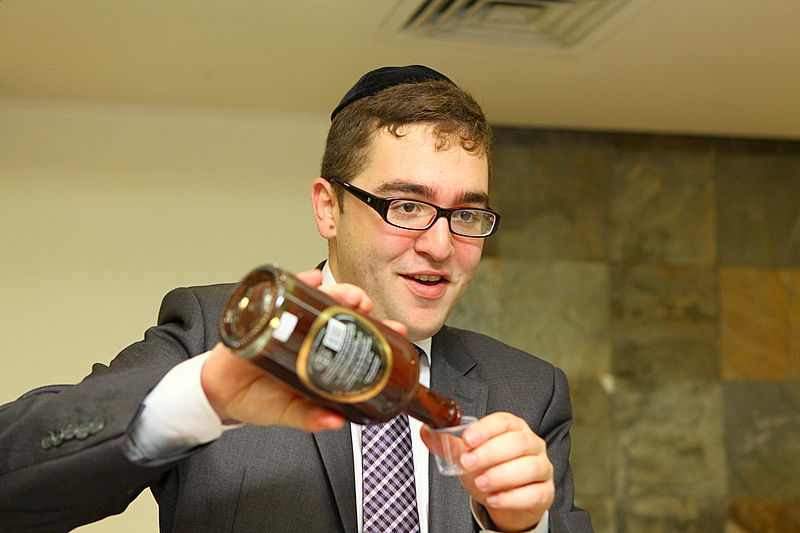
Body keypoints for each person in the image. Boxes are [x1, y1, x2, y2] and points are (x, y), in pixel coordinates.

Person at [0, 65, 593, 533]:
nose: (440, 245)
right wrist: (203, 395)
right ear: (328, 209)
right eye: (406, 206)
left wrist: (522, 526)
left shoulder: (528, 391)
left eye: (465, 214)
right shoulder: (214, 332)